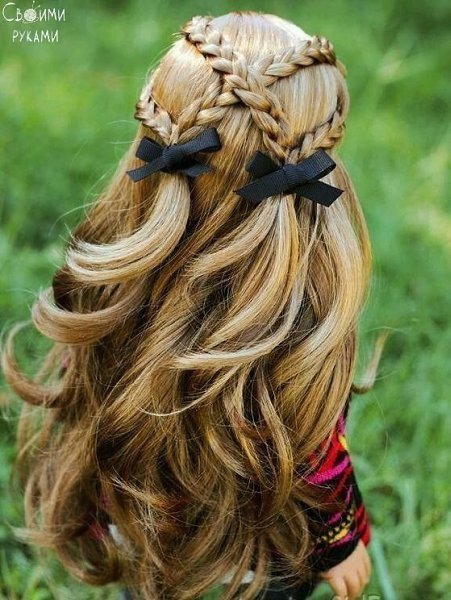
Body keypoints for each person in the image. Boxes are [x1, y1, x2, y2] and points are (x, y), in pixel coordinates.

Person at [1, 11, 388, 600]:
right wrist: (340, 537)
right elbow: (314, 451)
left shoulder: (112, 280)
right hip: (261, 548)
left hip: (142, 526)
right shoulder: (302, 320)